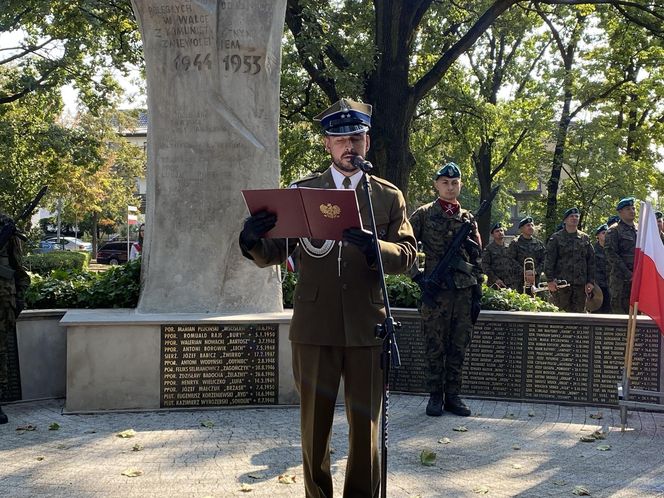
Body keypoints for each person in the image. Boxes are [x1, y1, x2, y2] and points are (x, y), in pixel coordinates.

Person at [239, 98, 416, 498]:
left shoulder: (387, 197)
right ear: (327, 145)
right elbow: (275, 252)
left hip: (366, 325)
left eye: (356, 136)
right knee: (314, 428)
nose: (348, 145)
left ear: (367, 141)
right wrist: (251, 240)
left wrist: (377, 248)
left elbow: (407, 255)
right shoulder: (303, 192)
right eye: (340, 139)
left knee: (365, 427)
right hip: (314, 327)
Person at [408, 162, 482, 418]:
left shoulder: (469, 218)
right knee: (434, 344)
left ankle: (453, 395)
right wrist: (418, 277)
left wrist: (478, 293)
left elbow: (477, 257)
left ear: (460, 185)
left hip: (463, 292)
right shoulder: (424, 214)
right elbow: (404, 248)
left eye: (454, 183)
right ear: (436, 185)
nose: (450, 187)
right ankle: (435, 396)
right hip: (435, 291)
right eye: (445, 183)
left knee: (458, 344)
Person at [0, 213, 31, 424]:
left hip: (3, 302)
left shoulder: (5, 223)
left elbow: (17, 268)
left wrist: (20, 297)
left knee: (0, 351)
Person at [544, 207, 595, 312]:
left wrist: (590, 281)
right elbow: (549, 260)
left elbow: (591, 261)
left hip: (580, 285)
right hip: (561, 285)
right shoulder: (556, 238)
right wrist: (550, 280)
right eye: (571, 216)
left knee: (579, 315)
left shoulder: (585, 238)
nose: (574, 218)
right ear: (565, 220)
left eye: (576, 216)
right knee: (561, 314)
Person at [605, 197, 637, 314]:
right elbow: (611, 255)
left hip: (638, 280)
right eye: (628, 209)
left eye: (633, 208)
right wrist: (628, 274)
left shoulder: (641, 230)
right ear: (620, 212)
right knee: (620, 316)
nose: (632, 211)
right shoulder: (614, 231)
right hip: (621, 280)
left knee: (637, 316)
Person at [508, 216, 546, 294]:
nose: (531, 227)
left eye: (532, 225)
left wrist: (535, 272)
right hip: (519, 281)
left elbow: (545, 260)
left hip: (535, 280)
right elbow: (510, 260)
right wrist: (525, 272)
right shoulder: (515, 243)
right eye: (528, 225)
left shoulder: (539, 244)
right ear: (522, 229)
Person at [481, 222, 519, 290]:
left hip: (510, 284)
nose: (500, 232)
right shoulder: (488, 249)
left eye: (501, 230)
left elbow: (515, 264)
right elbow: (485, 266)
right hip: (495, 284)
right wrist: (495, 279)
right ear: (492, 234)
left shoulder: (509, 248)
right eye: (497, 231)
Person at [593, 224, 611, 313]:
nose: (606, 235)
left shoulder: (613, 248)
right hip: (598, 286)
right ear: (598, 236)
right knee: (597, 311)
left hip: (611, 285)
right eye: (603, 233)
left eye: (607, 233)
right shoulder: (593, 250)